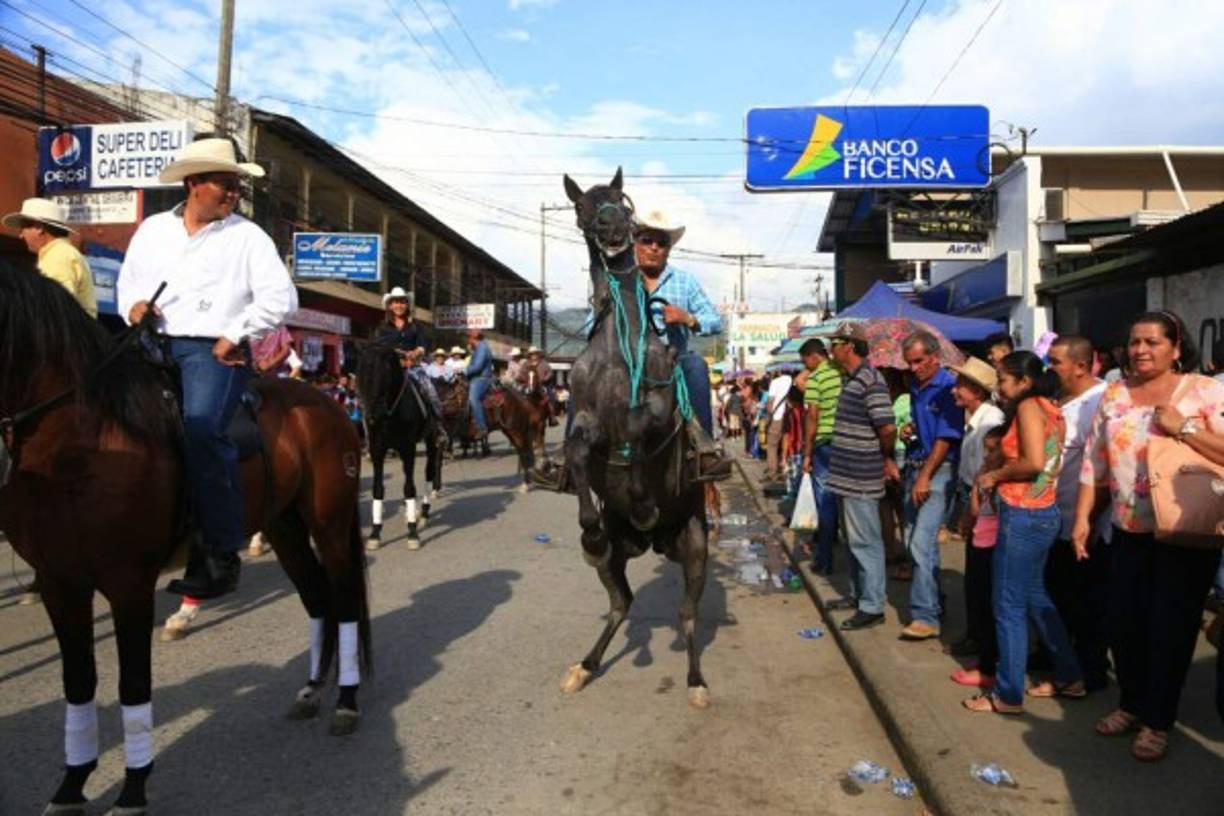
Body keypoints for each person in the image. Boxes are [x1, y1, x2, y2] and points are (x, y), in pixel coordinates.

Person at [117, 137, 297, 599]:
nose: (234, 193)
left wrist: (236, 332)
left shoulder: (247, 236)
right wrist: (133, 307)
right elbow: (127, 284)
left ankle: (219, 554)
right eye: (225, 184)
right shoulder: (153, 230)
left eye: (237, 185)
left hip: (213, 352)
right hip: (150, 345)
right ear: (194, 183)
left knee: (201, 428)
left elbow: (281, 298)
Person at [1074, 310, 1224, 761]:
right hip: (1128, 529)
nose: (1140, 350)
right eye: (1135, 341)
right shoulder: (1115, 393)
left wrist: (1186, 427)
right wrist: (1082, 518)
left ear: (1176, 348)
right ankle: (1132, 703)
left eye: (1153, 342)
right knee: (1123, 622)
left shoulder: (1204, 391)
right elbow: (1094, 462)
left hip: (1184, 531)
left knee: (1170, 629)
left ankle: (1157, 720)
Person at [964, 351, 1083, 716]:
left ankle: (1008, 694)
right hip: (1041, 513)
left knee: (1008, 605)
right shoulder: (1050, 407)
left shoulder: (1030, 406)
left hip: (1023, 514)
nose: (998, 387)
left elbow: (1033, 462)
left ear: (1025, 381)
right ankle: (1069, 675)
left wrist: (994, 476)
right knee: (1033, 595)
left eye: (1003, 380)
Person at [1045, 335, 1111, 693]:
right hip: (1055, 519)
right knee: (1060, 595)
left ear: (1082, 366)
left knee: (1086, 603)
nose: (1049, 368)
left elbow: (1102, 468)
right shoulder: (1062, 400)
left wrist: (1088, 519)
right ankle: (1061, 663)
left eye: (1056, 362)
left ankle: (1089, 672)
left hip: (1083, 526)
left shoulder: (1099, 403)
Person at [823, 322, 899, 631]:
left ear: (849, 346)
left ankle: (872, 605)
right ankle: (858, 594)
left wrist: (885, 457)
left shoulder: (870, 380)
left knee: (866, 542)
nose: (831, 349)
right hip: (846, 475)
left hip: (861, 476)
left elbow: (887, 427)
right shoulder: (852, 379)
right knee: (854, 542)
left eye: (835, 344)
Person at [899, 331, 964, 641]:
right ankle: (934, 602)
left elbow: (945, 438)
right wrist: (910, 430)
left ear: (935, 357)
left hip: (938, 471)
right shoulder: (917, 387)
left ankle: (925, 615)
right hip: (916, 466)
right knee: (913, 540)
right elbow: (927, 430)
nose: (914, 368)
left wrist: (925, 476)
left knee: (920, 543)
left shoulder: (948, 388)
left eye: (919, 361)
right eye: (910, 363)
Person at [945, 357, 1005, 658]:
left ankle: (984, 641)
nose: (954, 390)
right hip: (975, 499)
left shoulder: (989, 423)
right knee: (976, 578)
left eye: (960, 386)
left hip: (985, 506)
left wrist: (972, 512)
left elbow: (986, 474)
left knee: (982, 579)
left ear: (977, 392)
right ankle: (977, 634)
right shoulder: (975, 420)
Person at [951, 426, 1006, 690]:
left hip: (992, 547)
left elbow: (979, 509)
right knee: (978, 601)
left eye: (992, 451)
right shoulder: (986, 475)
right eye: (986, 450)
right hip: (979, 541)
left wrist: (980, 487)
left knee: (988, 608)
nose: (986, 456)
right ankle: (987, 658)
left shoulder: (1002, 482)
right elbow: (973, 511)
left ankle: (989, 666)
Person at [3, 197, 97, 317]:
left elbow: (55, 308)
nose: (21, 235)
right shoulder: (62, 253)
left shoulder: (58, 256)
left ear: (39, 228)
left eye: (23, 227)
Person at [800, 338, 843, 575]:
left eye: (804, 361)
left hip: (824, 444)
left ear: (813, 356)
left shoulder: (816, 380)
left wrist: (807, 454)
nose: (804, 367)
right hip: (846, 443)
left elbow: (812, 419)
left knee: (825, 502)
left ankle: (825, 559)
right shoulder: (842, 371)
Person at [763, 368, 793, 482]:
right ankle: (786, 469)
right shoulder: (794, 381)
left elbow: (770, 403)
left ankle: (772, 472)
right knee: (788, 442)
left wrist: (768, 416)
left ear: (779, 371)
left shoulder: (776, 382)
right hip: (791, 416)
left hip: (777, 417)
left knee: (772, 445)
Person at [464, 328, 494, 440]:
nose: (468, 339)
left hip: (481, 379)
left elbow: (477, 366)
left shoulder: (482, 348)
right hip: (475, 378)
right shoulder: (478, 348)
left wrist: (463, 370)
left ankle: (482, 427)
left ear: (474, 338)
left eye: (469, 337)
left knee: (473, 398)